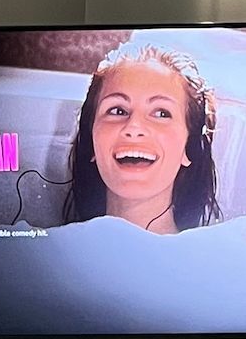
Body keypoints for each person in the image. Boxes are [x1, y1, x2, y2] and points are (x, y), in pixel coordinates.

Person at [62, 45, 220, 233]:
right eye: (117, 110)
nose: (134, 127)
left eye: (161, 113)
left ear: (189, 145)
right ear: (92, 140)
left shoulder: (219, 250)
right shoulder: (47, 245)